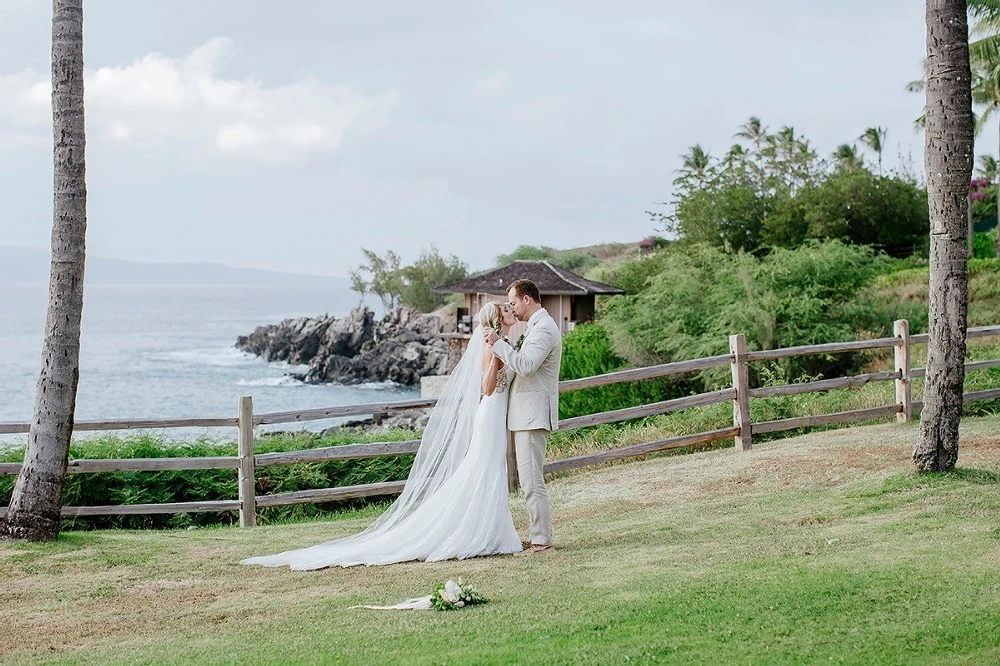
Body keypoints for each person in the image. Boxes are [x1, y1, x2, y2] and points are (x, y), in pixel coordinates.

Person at [241, 302, 522, 570]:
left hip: (497, 417)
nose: (511, 311)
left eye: (511, 307)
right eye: (506, 309)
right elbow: (486, 388)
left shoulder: (504, 343)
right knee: (483, 469)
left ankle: (494, 531)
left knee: (491, 468)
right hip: (489, 415)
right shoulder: (491, 347)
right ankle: (477, 532)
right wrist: (497, 354)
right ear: (497, 320)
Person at [483, 279, 561, 555]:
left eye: (514, 303)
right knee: (529, 480)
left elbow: (527, 366)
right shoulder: (535, 328)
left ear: (527, 299)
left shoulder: (544, 329)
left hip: (532, 415)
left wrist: (498, 345)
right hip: (524, 415)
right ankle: (537, 536)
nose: (513, 309)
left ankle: (541, 540)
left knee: (531, 482)